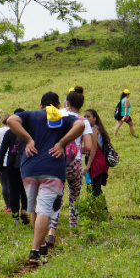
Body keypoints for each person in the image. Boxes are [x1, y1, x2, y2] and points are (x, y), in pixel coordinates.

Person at [4, 92, 86, 265]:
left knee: (34, 209)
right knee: (45, 211)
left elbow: (10, 120)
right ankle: (34, 252)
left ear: (40, 105)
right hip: (52, 168)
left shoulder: (30, 115)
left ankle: (41, 247)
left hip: (29, 168)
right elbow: (81, 124)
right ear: (57, 105)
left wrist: (28, 140)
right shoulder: (61, 117)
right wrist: (61, 143)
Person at [48, 87, 94, 246]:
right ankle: (73, 231)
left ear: (66, 102)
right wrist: (75, 148)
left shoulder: (57, 114)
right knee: (74, 196)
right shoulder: (83, 121)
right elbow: (88, 146)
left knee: (56, 196)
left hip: (56, 159)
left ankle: (51, 231)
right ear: (81, 105)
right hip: (74, 162)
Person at [0, 109, 29, 224]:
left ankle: (15, 217)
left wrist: (0, 167)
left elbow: (2, 152)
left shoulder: (9, 132)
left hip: (12, 164)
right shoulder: (29, 131)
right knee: (25, 189)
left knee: (14, 191)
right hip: (26, 164)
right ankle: (24, 209)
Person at [83, 108, 112, 202]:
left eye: (88, 116)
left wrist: (88, 165)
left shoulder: (93, 130)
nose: (86, 118)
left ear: (94, 118)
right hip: (100, 160)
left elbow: (93, 148)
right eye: (85, 116)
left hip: (96, 161)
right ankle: (100, 212)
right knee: (95, 188)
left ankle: (105, 213)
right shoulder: (97, 128)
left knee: (96, 189)